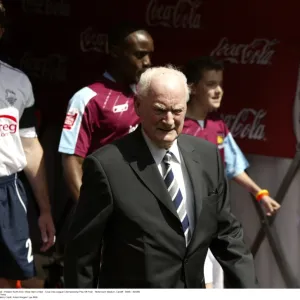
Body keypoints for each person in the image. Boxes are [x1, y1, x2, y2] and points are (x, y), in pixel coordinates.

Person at [63, 66, 258, 288]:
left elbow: (227, 235)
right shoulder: (106, 166)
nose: (168, 120)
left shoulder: (207, 156)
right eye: (159, 110)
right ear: (137, 105)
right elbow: (82, 255)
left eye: (177, 111)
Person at [182, 56, 281, 288]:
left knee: (218, 283)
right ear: (193, 88)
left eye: (220, 84)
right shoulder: (177, 125)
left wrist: (260, 194)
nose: (218, 91)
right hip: (187, 224)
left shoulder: (218, 125)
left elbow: (233, 166)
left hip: (216, 221)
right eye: (210, 84)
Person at [58, 21, 154, 202]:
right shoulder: (87, 98)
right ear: (116, 52)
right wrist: (88, 212)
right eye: (140, 55)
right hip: (103, 199)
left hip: (140, 203)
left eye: (150, 55)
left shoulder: (147, 94)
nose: (147, 62)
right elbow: (71, 161)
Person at [0, 1, 55, 288]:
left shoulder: (18, 81)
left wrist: (44, 210)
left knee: (16, 279)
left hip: (7, 193)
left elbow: (31, 148)